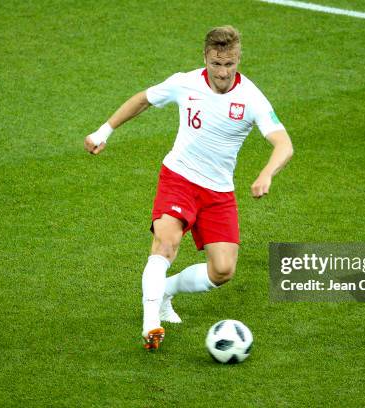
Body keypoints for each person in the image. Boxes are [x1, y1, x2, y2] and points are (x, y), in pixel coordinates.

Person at [84, 26, 293, 350]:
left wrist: (267, 173)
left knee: (222, 271)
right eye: (216, 64)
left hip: (218, 193)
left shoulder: (250, 97)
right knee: (166, 243)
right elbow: (143, 100)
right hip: (179, 178)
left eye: (230, 64)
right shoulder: (185, 83)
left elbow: (283, 144)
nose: (223, 73)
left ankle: (165, 290)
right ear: (205, 59)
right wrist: (103, 132)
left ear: (238, 59)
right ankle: (151, 323)